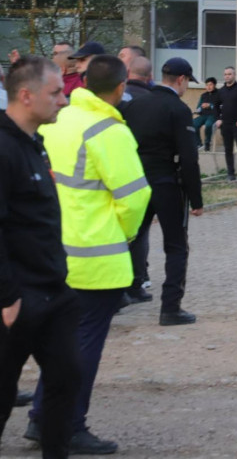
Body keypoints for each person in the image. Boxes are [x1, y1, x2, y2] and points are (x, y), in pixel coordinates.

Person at [28, 55, 151, 455]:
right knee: (82, 347)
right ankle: (67, 425)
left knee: (58, 345)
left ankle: (41, 418)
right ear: (120, 88)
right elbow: (135, 197)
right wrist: (125, 235)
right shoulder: (110, 131)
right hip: (96, 260)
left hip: (52, 252)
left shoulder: (59, 119)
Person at [0, 56, 81, 459]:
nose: (63, 100)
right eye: (56, 93)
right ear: (26, 95)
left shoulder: (36, 144)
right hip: (17, 298)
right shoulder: (3, 148)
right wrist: (7, 296)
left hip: (53, 291)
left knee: (67, 379)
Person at [123, 57, 204, 325]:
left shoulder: (134, 106)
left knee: (131, 238)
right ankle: (170, 308)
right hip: (166, 183)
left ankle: (122, 293)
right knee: (176, 246)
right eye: (187, 82)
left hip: (136, 182)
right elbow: (189, 158)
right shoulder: (178, 109)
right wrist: (196, 199)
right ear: (181, 79)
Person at [193, 77, 220, 151]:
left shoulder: (219, 94)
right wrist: (200, 108)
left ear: (214, 85)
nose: (208, 87)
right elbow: (198, 107)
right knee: (193, 123)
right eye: (207, 85)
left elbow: (221, 106)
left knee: (208, 125)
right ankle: (198, 143)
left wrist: (210, 105)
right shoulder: (203, 95)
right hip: (203, 115)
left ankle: (207, 142)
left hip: (213, 115)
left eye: (210, 85)